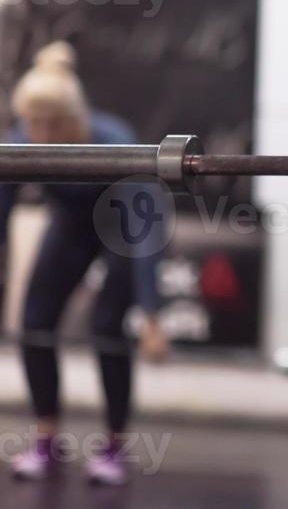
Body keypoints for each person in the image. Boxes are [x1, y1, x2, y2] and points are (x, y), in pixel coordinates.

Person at [0, 41, 169, 485]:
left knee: (108, 327)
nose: (40, 133)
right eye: (32, 123)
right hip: (73, 226)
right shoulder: (20, 141)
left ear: (74, 120)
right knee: (34, 321)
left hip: (122, 226)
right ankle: (47, 439)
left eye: (52, 124)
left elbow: (143, 231)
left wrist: (152, 315)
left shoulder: (116, 142)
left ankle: (113, 447)